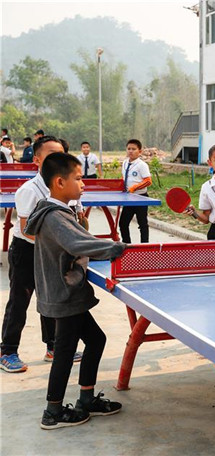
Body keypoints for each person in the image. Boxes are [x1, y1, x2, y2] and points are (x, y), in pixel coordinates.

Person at [24, 152, 125, 429]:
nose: (83, 184)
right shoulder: (55, 217)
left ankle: (86, 399)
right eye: (78, 179)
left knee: (96, 340)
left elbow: (78, 239)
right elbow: (79, 244)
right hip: (64, 293)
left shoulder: (57, 211)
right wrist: (119, 249)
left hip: (67, 291)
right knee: (65, 352)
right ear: (59, 182)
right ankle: (53, 411)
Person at [1, 137, 82, 373]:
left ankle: (54, 346)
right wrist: (64, 243)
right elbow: (27, 229)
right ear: (36, 160)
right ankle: (7, 351)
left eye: (61, 153)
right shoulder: (29, 190)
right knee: (20, 301)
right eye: (51, 154)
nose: (58, 158)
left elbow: (76, 220)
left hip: (53, 250)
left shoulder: (68, 186)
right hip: (27, 251)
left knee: (51, 299)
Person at [118, 139, 152, 243]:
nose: (131, 151)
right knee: (123, 223)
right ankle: (127, 244)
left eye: (133, 149)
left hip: (140, 197)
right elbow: (124, 177)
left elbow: (148, 181)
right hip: (128, 198)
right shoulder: (125, 163)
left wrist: (135, 188)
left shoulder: (142, 165)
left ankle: (145, 247)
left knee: (142, 224)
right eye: (129, 149)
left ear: (139, 151)